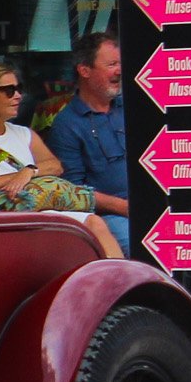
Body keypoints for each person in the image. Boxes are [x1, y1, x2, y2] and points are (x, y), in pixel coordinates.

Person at [0, 64, 121, 259]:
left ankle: (121, 276)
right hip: (5, 221)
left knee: (95, 223)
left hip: (42, 213)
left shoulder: (24, 134)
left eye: (19, 89)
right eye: (9, 91)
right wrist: (16, 177)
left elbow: (55, 166)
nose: (18, 96)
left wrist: (29, 171)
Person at [43, 31, 131, 253]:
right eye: (111, 64)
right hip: (110, 216)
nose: (119, 71)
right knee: (134, 242)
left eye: (120, 63)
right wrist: (123, 207)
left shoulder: (131, 108)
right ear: (84, 70)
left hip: (153, 207)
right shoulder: (67, 124)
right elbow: (74, 191)